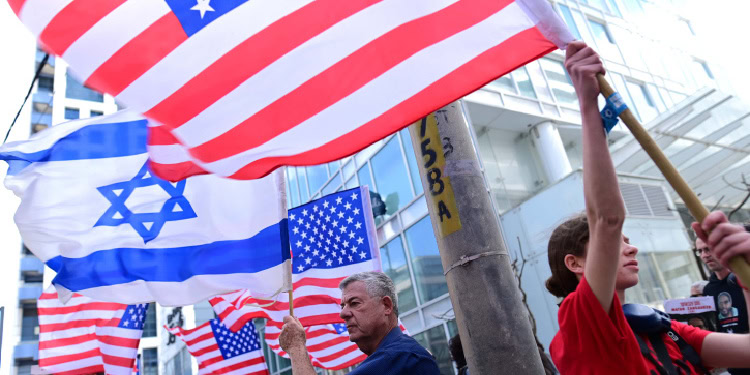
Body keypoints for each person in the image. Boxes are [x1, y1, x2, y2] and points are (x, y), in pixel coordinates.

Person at [545, 41, 750, 374]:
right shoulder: (578, 326)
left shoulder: (665, 331)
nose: (631, 247)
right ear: (575, 263)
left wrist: (745, 277)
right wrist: (587, 107)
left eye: (626, 241)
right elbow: (607, 220)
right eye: (617, 244)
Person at [278, 271, 440, 374]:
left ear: (386, 306)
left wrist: (296, 347)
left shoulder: (399, 357)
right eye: (343, 305)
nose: (343, 313)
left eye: (354, 303)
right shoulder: (397, 355)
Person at [698, 234, 750, 374]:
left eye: (708, 249)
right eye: (700, 251)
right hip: (733, 364)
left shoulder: (743, 278)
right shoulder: (708, 289)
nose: (705, 255)